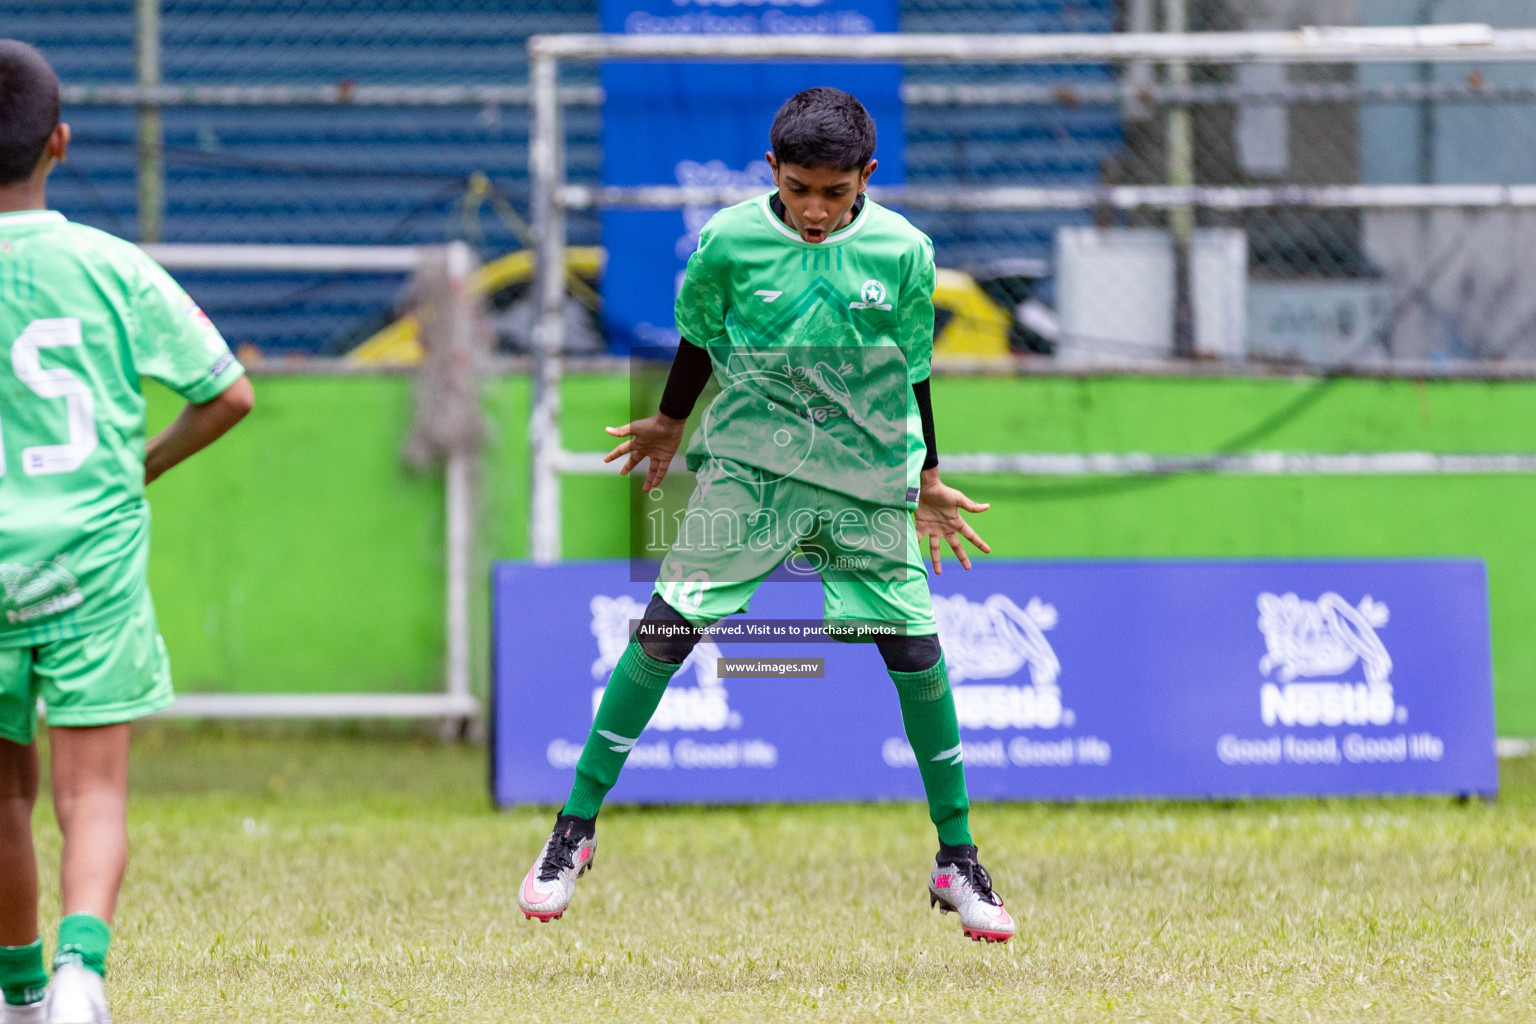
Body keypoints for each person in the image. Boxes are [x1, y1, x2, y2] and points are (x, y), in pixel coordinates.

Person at [517, 87, 1014, 944]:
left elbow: (914, 370)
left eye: (834, 191)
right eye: (798, 189)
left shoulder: (904, 251)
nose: (815, 210)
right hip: (752, 470)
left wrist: (928, 477)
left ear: (867, 176)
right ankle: (572, 832)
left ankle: (958, 858)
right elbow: (699, 338)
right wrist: (670, 422)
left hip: (862, 476)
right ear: (772, 173)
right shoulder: (730, 240)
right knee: (663, 632)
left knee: (915, 647)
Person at [0, 40, 254, 1023]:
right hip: (88, 563)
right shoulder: (108, 265)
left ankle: (19, 998)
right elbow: (227, 393)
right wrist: (131, 469)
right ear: (59, 142)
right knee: (93, 791)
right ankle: (80, 975)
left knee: (4, 795)